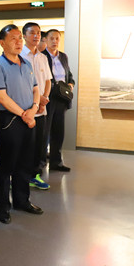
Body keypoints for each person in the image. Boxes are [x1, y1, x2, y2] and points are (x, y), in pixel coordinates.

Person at [0, 24, 43, 224]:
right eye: (13, 38)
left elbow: (36, 89)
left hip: (29, 118)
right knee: (7, 165)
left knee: (25, 163)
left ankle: (22, 201)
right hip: (9, 121)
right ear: (2, 43)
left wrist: (34, 109)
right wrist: (24, 114)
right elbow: (2, 97)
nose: (19, 42)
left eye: (20, 38)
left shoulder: (26, 63)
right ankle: (3, 207)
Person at [21, 22, 52, 190]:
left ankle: (34, 175)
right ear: (24, 35)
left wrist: (44, 98)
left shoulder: (42, 57)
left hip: (42, 109)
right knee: (25, 145)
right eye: (32, 32)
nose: (36, 35)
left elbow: (48, 80)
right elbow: (22, 84)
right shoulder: (20, 56)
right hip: (26, 109)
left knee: (39, 146)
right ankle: (19, 177)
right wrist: (37, 100)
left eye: (38, 33)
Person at [42, 29, 74, 172]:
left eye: (57, 39)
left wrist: (71, 84)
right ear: (46, 40)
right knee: (45, 132)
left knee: (58, 132)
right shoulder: (42, 56)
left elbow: (69, 75)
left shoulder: (63, 57)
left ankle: (56, 162)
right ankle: (41, 162)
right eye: (52, 38)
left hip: (61, 98)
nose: (54, 41)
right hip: (47, 98)